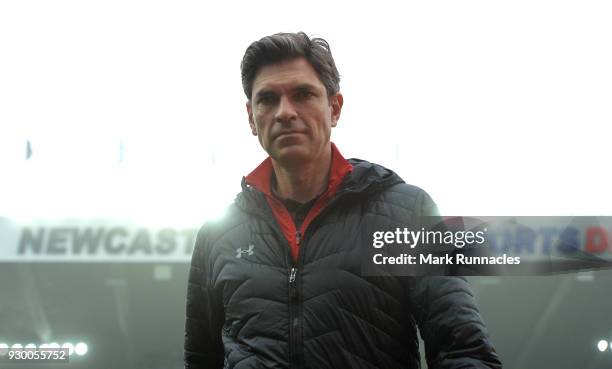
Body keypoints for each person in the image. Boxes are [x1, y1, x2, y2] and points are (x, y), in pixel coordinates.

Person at [184, 32, 502, 369]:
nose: (285, 112)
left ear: (334, 108)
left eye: (303, 94)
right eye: (268, 99)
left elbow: (464, 351)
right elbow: (200, 361)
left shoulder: (406, 213)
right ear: (251, 117)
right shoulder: (216, 236)